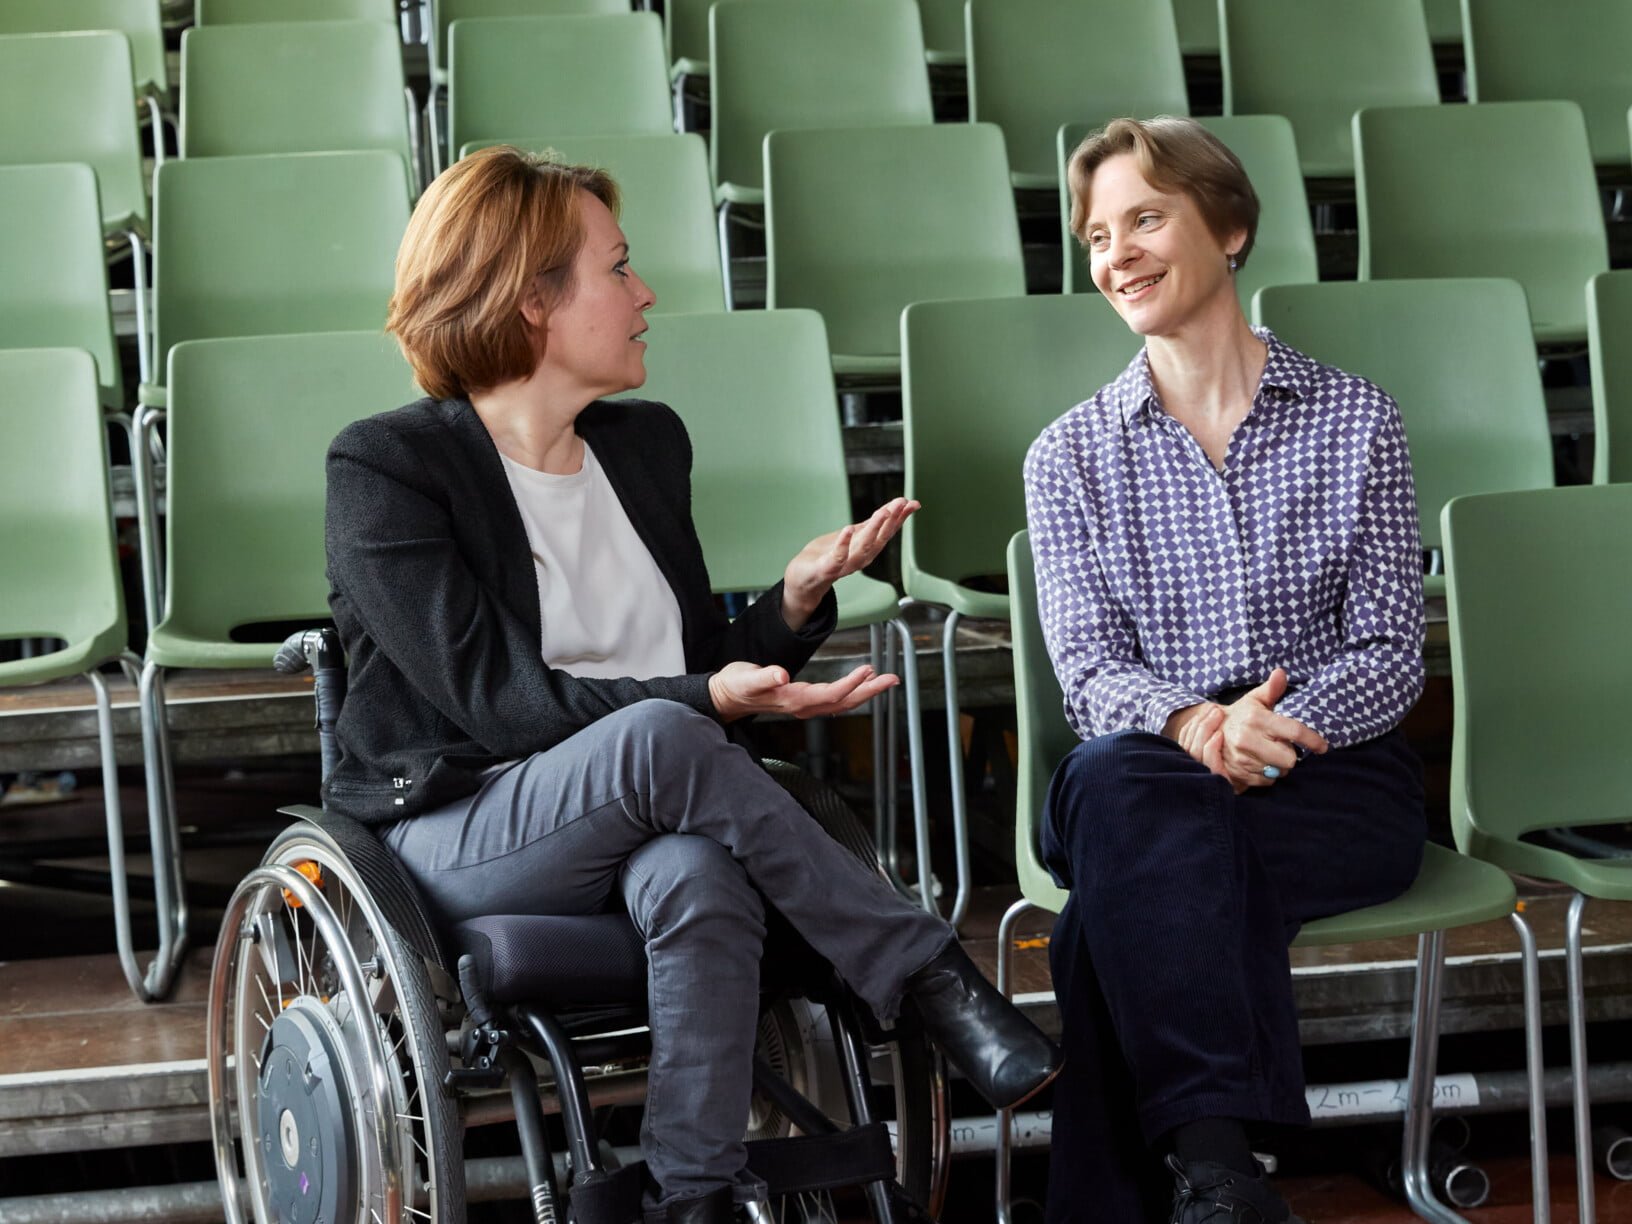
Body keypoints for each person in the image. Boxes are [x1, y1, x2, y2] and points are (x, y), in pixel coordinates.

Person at [322, 146, 1060, 1224]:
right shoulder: (386, 469)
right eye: (618, 268)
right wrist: (705, 704)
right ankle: (929, 978)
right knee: (665, 739)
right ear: (531, 300)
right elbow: (505, 706)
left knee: (696, 877)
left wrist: (792, 606)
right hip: (461, 829)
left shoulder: (645, 445)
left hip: (648, 808)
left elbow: (697, 665)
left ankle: (692, 1197)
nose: (646, 294)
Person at [1024, 117, 1428, 1223]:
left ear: (1232, 228)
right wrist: (1202, 727)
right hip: (1148, 762)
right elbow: (1090, 672)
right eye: (1097, 236)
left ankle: (1209, 1180)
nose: (1117, 255)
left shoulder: (1357, 419)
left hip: (1330, 773)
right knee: (1120, 783)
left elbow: (1390, 652)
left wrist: (1267, 733)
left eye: (1145, 219)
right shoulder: (1067, 456)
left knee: (1107, 910)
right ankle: (1219, 1179)